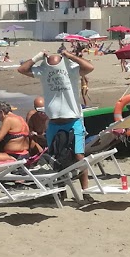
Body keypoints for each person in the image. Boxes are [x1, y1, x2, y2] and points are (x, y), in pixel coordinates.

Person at [18, 45, 93, 182]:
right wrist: (38, 57)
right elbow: (21, 69)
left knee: (79, 156)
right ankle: (61, 189)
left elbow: (90, 67)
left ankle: (85, 191)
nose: (54, 67)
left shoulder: (71, 69)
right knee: (55, 157)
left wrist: (69, 55)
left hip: (73, 120)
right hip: (53, 123)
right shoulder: (43, 70)